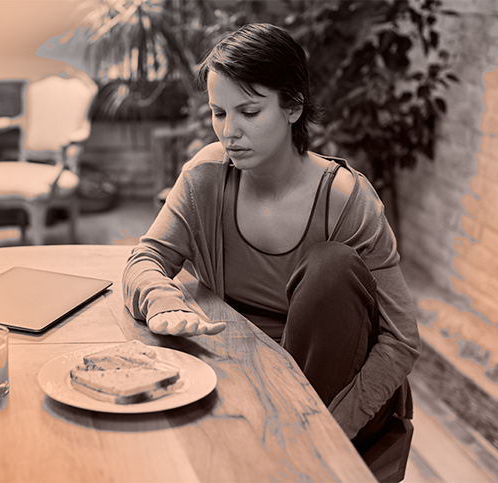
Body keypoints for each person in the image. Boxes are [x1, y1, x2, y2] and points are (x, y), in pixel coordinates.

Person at [122, 23, 421, 450]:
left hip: (339, 401)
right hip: (247, 376)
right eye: (218, 113)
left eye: (249, 112)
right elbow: (145, 259)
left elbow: (401, 341)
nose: (228, 132)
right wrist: (161, 300)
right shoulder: (206, 177)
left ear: (293, 107)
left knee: (331, 265)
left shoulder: (345, 200)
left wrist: (327, 431)